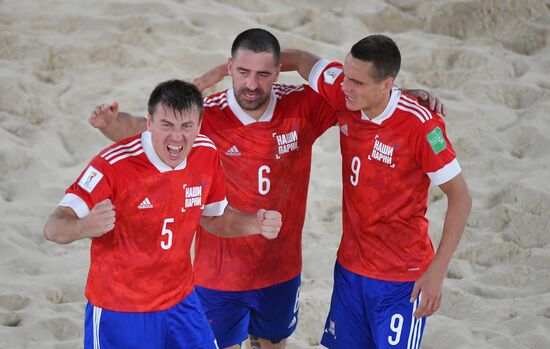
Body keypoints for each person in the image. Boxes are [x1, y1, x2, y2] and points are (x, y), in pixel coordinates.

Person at [89, 29, 443, 349]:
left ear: (277, 73)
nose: (251, 84)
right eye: (242, 72)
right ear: (230, 69)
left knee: (273, 345)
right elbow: (145, 130)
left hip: (281, 270)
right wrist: (111, 123)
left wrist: (405, 96)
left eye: (262, 74)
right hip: (218, 276)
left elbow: (358, 99)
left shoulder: (302, 106)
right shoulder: (207, 115)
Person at [43, 79, 282, 349]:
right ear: (149, 123)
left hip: (181, 303)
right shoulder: (112, 166)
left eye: (186, 126)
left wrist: (255, 222)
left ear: (199, 126)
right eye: (166, 125)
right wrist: (84, 226)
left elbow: (214, 218)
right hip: (120, 310)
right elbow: (53, 227)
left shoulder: (205, 154)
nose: (177, 137)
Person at [281, 36, 472, 348]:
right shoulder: (345, 93)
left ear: (387, 85)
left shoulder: (421, 125)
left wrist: (437, 272)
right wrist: (241, 74)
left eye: (357, 82)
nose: (345, 87)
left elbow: (461, 198)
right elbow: (301, 60)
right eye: (345, 76)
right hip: (350, 270)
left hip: (401, 279)